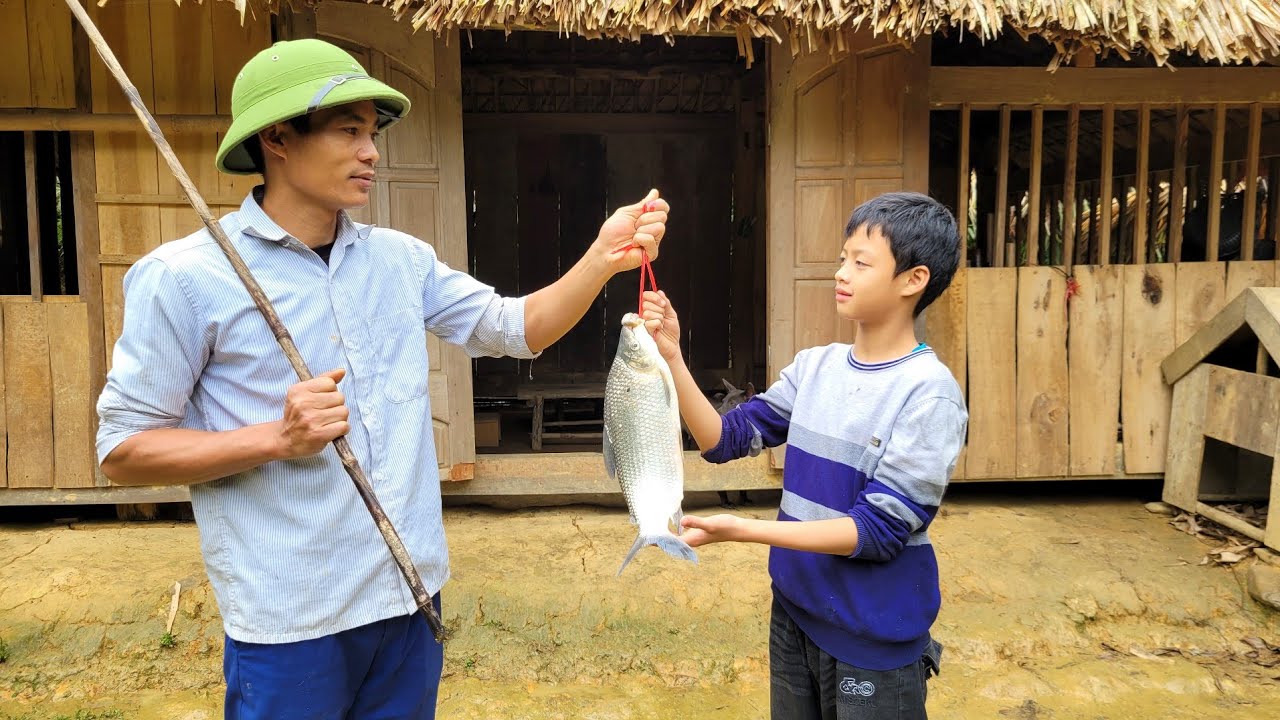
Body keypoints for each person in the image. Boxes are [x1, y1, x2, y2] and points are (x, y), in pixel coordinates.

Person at [94, 39, 669, 720]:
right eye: (349, 131)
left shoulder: (400, 261)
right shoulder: (186, 277)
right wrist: (277, 439)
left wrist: (604, 255)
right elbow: (123, 450)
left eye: (372, 133)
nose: (371, 152)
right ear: (277, 139)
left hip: (409, 597)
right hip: (291, 620)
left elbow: (517, 329)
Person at [642, 191, 965, 719]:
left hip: (872, 641)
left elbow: (877, 533)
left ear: (914, 280)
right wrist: (673, 358)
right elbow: (723, 440)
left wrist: (742, 530)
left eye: (861, 263)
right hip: (793, 616)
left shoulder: (929, 394)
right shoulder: (815, 368)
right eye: (842, 258)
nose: (841, 273)